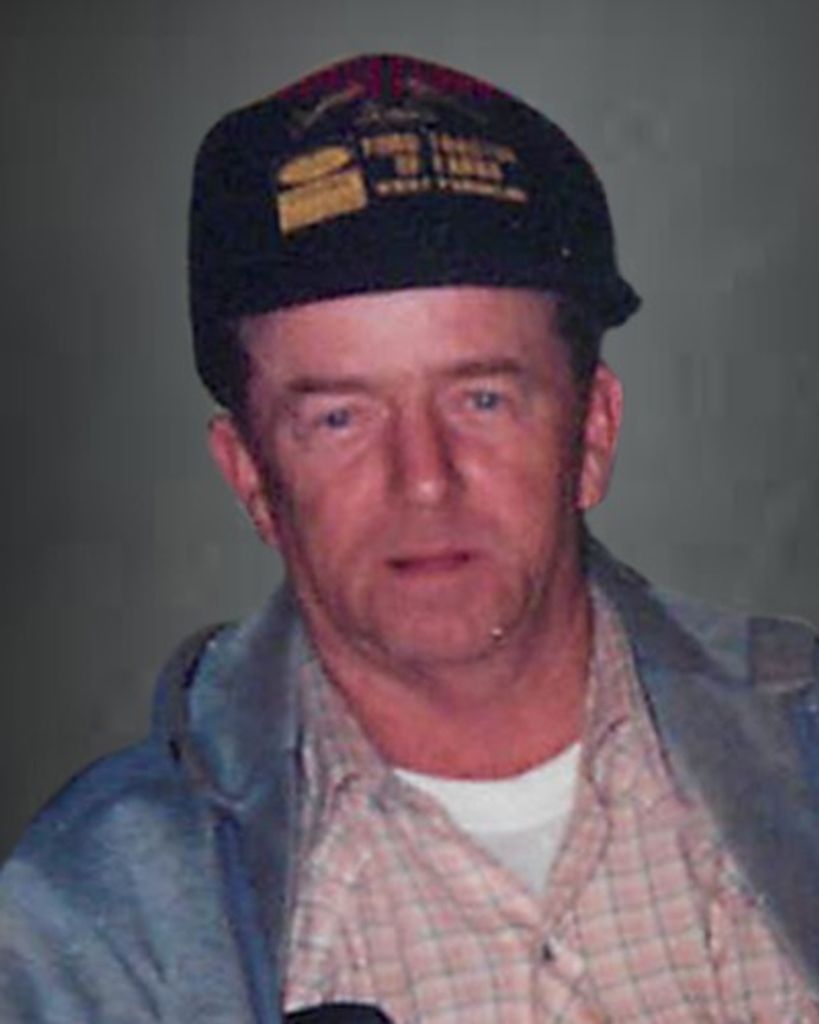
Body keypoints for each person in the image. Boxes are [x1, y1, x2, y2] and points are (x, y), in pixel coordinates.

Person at [1, 52, 818, 1024]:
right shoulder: (92, 932)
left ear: (593, 433)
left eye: (482, 398)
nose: (423, 477)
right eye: (339, 417)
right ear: (252, 477)